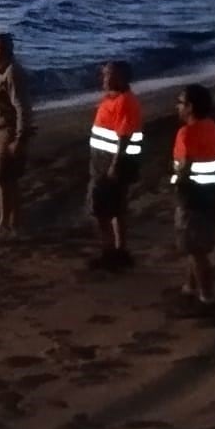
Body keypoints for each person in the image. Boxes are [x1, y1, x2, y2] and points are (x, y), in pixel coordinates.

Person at [170, 84, 215, 317]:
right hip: (212, 193)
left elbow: (185, 166)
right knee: (195, 246)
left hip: (193, 197)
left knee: (197, 250)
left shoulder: (186, 133)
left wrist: (178, 187)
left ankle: (207, 298)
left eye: (180, 102)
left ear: (190, 107)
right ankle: (190, 287)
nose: (177, 106)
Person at [85, 61, 144, 271]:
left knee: (101, 209)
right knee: (117, 208)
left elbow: (124, 137)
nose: (104, 79)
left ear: (121, 77)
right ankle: (119, 250)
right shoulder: (115, 99)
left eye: (109, 75)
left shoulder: (125, 102)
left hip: (110, 164)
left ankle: (109, 251)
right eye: (104, 74)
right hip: (106, 161)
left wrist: (115, 165)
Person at [0, 32, 33, 241]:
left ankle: (4, 226)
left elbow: (22, 107)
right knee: (8, 179)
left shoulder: (12, 72)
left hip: (8, 133)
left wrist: (19, 138)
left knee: (4, 178)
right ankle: (14, 225)